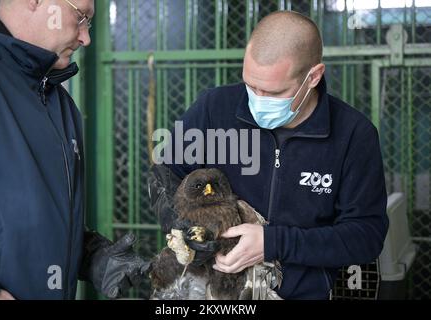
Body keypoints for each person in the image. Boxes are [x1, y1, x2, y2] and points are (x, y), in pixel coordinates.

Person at [149, 11, 389, 299]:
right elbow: (164, 174)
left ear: (313, 77)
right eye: (251, 86)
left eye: (273, 92)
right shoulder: (214, 109)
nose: (258, 101)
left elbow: (366, 237)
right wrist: (184, 228)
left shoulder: (353, 135)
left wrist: (272, 242)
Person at [0, 0, 147, 300]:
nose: (86, 38)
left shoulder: (59, 102)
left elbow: (31, 218)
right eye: (81, 17)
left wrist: (93, 256)